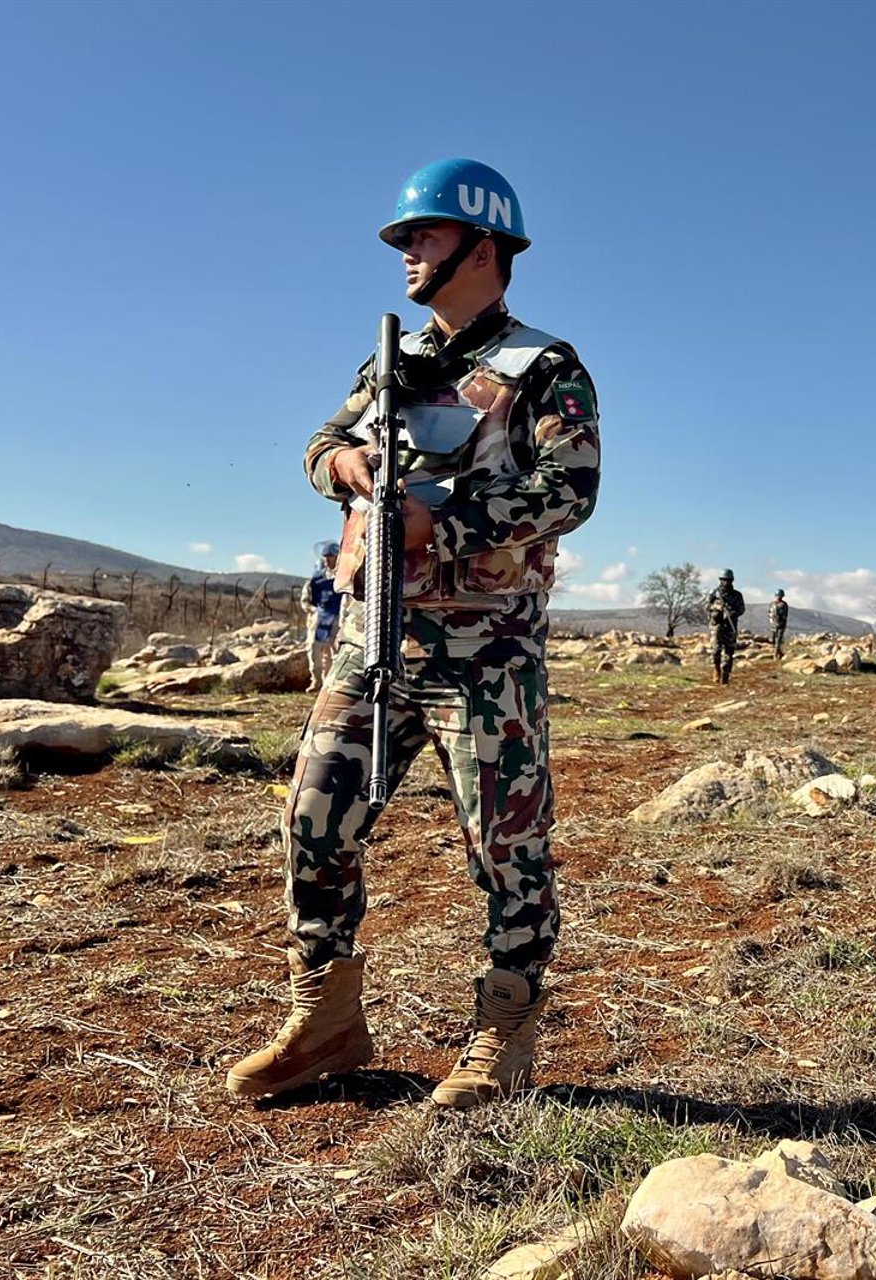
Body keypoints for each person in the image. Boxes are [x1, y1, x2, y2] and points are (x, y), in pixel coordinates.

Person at [227, 157, 600, 1108]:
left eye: (423, 235)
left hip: (487, 648)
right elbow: (320, 443)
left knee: (507, 847)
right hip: (374, 635)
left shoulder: (544, 367)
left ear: (483, 246)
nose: (406, 252)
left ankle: (505, 1030)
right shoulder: (391, 365)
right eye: (404, 237)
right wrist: (343, 466)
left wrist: (446, 521)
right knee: (314, 822)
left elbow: (571, 488)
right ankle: (325, 1019)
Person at [304, 541, 342, 693]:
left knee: (334, 652)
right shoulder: (317, 578)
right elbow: (310, 599)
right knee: (314, 649)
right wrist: (315, 611)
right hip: (320, 618)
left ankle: (330, 683)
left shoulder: (343, 576)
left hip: (338, 619)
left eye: (331, 556)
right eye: (325, 556)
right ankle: (316, 680)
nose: (328, 559)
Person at [706, 570, 745, 684]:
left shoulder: (737, 595)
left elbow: (742, 609)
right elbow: (706, 606)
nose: (726, 582)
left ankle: (725, 675)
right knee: (715, 651)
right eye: (723, 580)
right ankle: (716, 669)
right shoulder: (714, 593)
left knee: (729, 652)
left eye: (728, 580)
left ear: (732, 581)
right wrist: (716, 609)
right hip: (716, 626)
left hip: (730, 626)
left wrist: (733, 613)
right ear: (720, 580)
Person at [768, 588, 789, 658]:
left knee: (778, 640)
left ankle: (776, 655)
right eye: (778, 595)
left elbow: (784, 615)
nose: (779, 597)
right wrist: (771, 619)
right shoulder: (772, 604)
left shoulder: (784, 604)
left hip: (781, 625)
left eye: (780, 596)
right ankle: (779, 653)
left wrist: (781, 623)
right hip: (773, 625)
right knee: (773, 639)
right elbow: (769, 613)